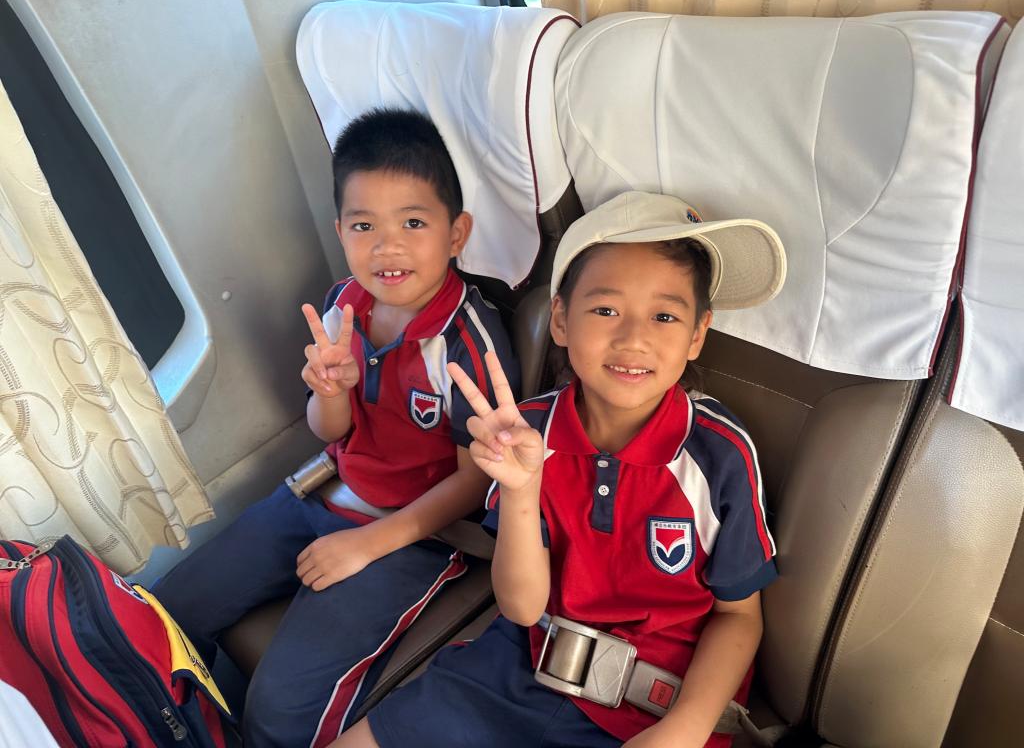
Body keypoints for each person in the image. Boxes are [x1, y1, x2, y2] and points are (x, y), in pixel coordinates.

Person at [332, 190, 787, 748]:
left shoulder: (719, 454)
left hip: (657, 706)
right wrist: (520, 491)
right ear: (562, 321)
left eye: (665, 316)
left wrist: (686, 728)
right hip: (518, 665)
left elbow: (739, 616)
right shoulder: (528, 433)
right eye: (606, 310)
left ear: (697, 335)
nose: (634, 338)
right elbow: (522, 608)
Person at [153, 108, 517, 748]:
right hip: (321, 493)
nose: (387, 247)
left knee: (278, 710)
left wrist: (368, 544)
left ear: (456, 232)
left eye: (413, 223)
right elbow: (331, 430)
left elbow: (473, 483)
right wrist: (330, 392)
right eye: (364, 226)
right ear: (341, 232)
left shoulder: (467, 342)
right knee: (165, 615)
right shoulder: (344, 305)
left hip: (412, 535)